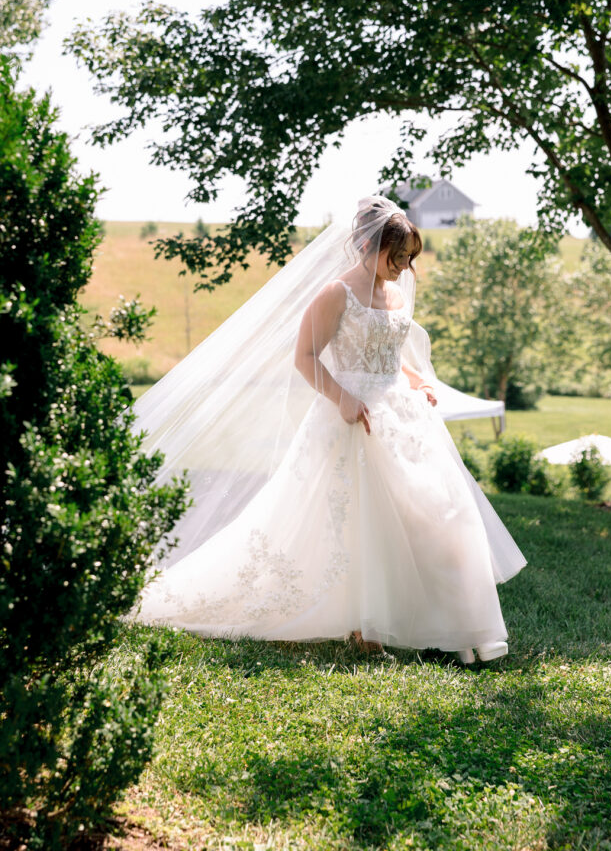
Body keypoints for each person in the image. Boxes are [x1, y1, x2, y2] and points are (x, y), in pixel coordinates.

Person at [131, 196, 526, 663]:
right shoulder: (336, 293)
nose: (404, 267)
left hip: (401, 416)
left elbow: (392, 354)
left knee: (440, 516)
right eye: (396, 256)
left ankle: (454, 625)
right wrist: (343, 397)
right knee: (363, 522)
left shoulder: (395, 295)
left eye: (409, 258)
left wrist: (420, 381)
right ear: (367, 245)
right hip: (351, 417)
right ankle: (367, 627)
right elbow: (304, 358)